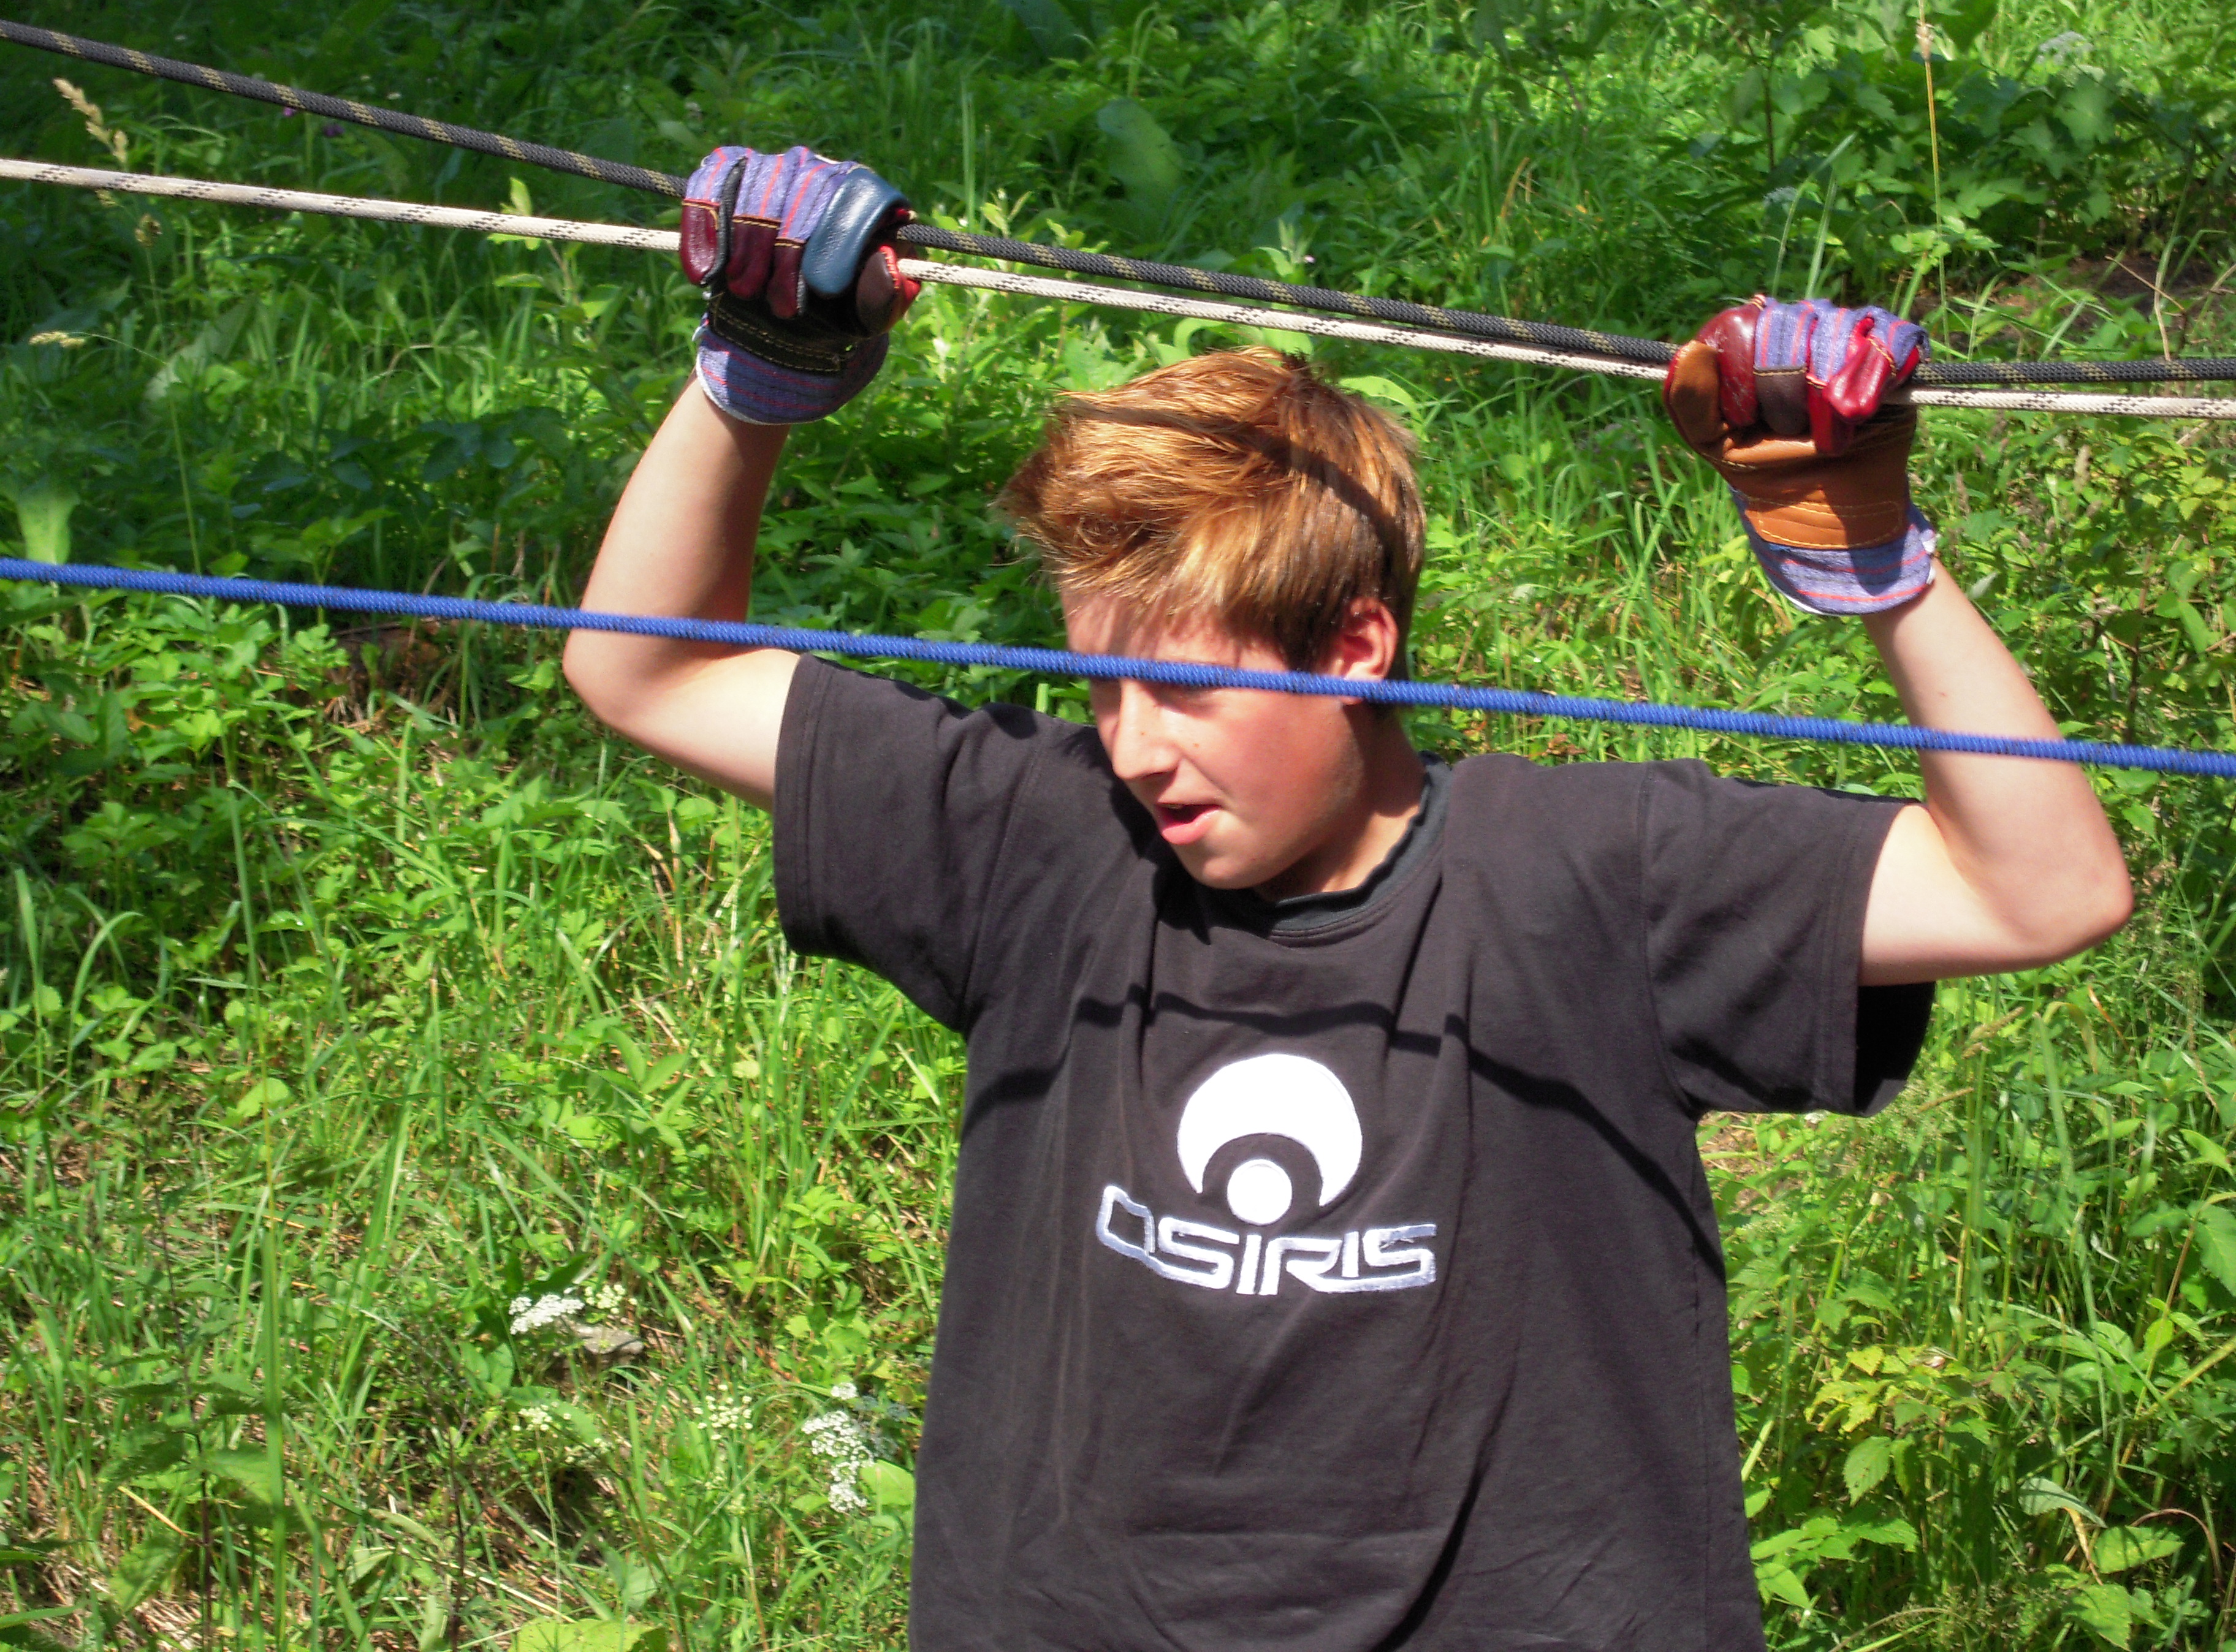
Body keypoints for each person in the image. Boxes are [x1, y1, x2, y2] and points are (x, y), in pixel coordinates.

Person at [563, 146, 2131, 1652]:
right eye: (1099, 686)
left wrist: (1878, 565)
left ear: (1355, 650)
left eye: (1185, 689)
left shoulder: (1586, 879)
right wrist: (753, 380)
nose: (1137, 748)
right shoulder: (1044, 839)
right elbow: (642, 672)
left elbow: (2042, 891)